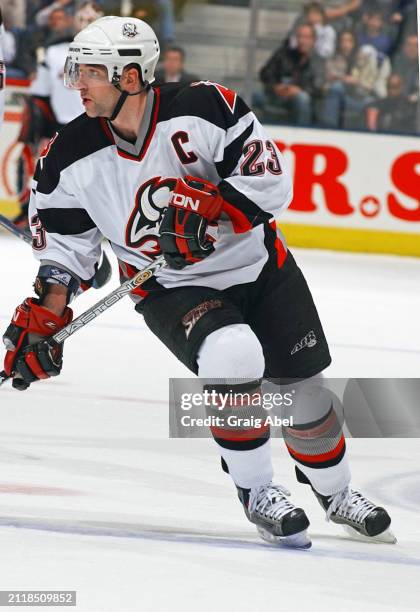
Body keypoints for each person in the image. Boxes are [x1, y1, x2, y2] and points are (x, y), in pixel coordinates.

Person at [1, 16, 395, 548]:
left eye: (91, 73)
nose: (78, 84)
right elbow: (68, 253)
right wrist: (47, 313)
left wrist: (215, 208)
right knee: (233, 354)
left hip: (260, 267)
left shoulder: (206, 106)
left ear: (131, 77)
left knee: (304, 395)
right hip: (170, 286)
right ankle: (257, 491)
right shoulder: (66, 156)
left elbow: (270, 179)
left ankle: (336, 491)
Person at [260, 23, 326, 126]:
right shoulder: (284, 54)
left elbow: (319, 86)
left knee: (302, 98)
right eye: (300, 36)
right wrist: (275, 87)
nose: (302, 41)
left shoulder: (319, 61)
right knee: (249, 96)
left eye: (306, 37)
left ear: (314, 40)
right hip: (278, 95)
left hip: (304, 100)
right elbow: (265, 73)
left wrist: (299, 90)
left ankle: (302, 133)